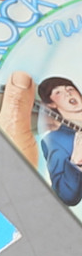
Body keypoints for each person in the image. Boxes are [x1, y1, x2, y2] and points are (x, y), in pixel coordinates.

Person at [37, 76, 82, 206]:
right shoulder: (55, 140)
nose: (68, 93)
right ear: (51, 104)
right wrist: (76, 161)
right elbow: (66, 195)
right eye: (58, 92)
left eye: (70, 89)